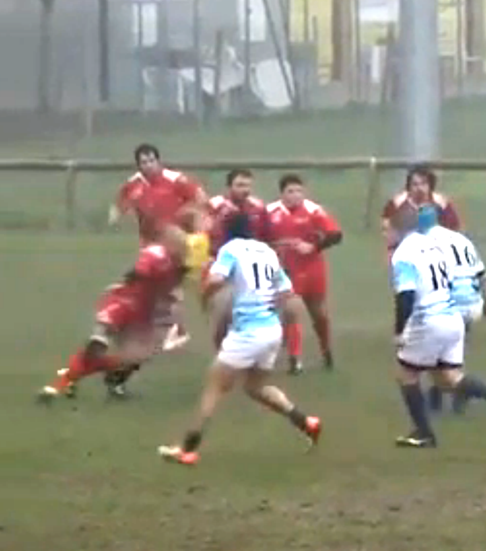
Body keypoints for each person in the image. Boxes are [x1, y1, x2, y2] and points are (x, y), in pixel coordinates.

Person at [158, 213, 322, 466]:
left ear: (227, 232)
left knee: (214, 388)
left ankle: (187, 450)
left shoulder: (231, 249)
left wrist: (204, 297)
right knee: (255, 387)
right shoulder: (267, 252)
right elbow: (287, 292)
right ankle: (306, 422)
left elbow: (216, 279)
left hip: (248, 333)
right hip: (271, 330)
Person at [389, 204, 486, 448]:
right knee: (448, 378)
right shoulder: (434, 247)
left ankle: (423, 433)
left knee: (406, 375)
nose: (385, 234)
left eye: (388, 229)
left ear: (398, 228)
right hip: (452, 318)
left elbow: (406, 295)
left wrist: (400, 331)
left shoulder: (403, 254)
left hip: (428, 320)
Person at [37, 221, 191, 402]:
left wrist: (175, 321)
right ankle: (61, 383)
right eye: (180, 243)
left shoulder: (176, 268)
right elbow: (140, 271)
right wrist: (135, 280)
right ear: (168, 241)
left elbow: (170, 296)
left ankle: (98, 379)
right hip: (123, 303)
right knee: (97, 346)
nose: (184, 248)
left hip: (142, 315)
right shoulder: (157, 254)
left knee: (136, 356)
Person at [108, 143, 209, 377]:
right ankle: (170, 330)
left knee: (167, 285)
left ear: (158, 160)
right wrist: (115, 216)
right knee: (156, 288)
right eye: (143, 162)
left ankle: (175, 330)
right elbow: (119, 204)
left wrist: (191, 218)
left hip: (174, 241)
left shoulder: (175, 179)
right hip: (149, 244)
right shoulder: (133, 185)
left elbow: (200, 197)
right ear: (138, 165)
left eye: (152, 160)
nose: (148, 165)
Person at [265, 174, 343, 374]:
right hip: (286, 270)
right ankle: (295, 359)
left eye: (299, 191)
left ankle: (326, 349)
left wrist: (313, 246)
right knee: (293, 312)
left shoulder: (313, 210)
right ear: (282, 194)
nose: (295, 195)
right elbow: (259, 236)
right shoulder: (270, 212)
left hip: (313, 269)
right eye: (290, 191)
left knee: (320, 315)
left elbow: (336, 234)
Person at [425, 224, 486, 415]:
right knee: (454, 348)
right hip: (472, 303)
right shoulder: (462, 240)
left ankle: (454, 390)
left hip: (450, 305)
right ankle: (448, 390)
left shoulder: (427, 244)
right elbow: (481, 275)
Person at [382, 164, 462, 258]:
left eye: (423, 184)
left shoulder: (441, 203)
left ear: (430, 185)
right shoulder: (397, 202)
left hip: (434, 253)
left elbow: (454, 229)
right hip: (405, 252)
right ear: (409, 187)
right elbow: (386, 224)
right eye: (415, 184)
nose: (419, 188)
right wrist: (392, 248)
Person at [207, 169, 268, 255]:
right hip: (220, 256)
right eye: (240, 185)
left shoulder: (258, 207)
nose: (245, 190)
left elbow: (265, 236)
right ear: (229, 186)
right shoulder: (215, 205)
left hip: (250, 257)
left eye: (248, 186)